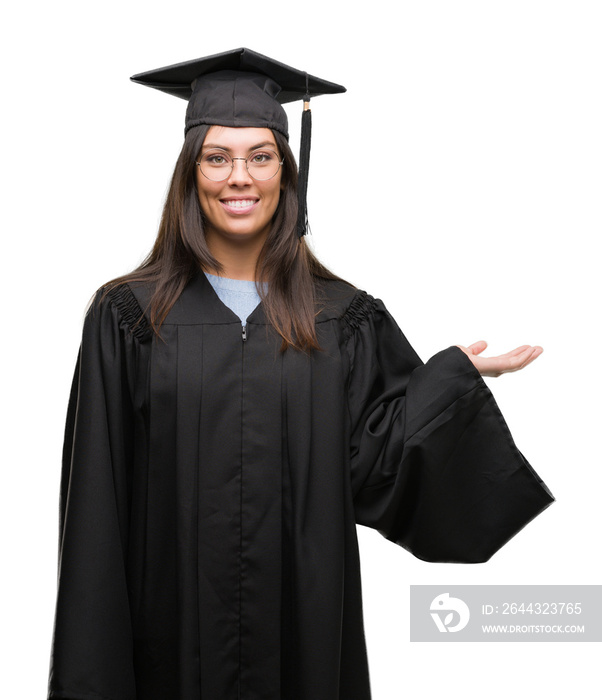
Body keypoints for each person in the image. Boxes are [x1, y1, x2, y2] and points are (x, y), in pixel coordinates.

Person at [47, 48, 554, 700]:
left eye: (261, 156)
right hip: (166, 646)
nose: (240, 177)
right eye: (218, 157)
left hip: (306, 643)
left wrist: (447, 383)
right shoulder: (128, 318)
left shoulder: (342, 319)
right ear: (191, 172)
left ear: (286, 172)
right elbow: (97, 503)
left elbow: (379, 461)